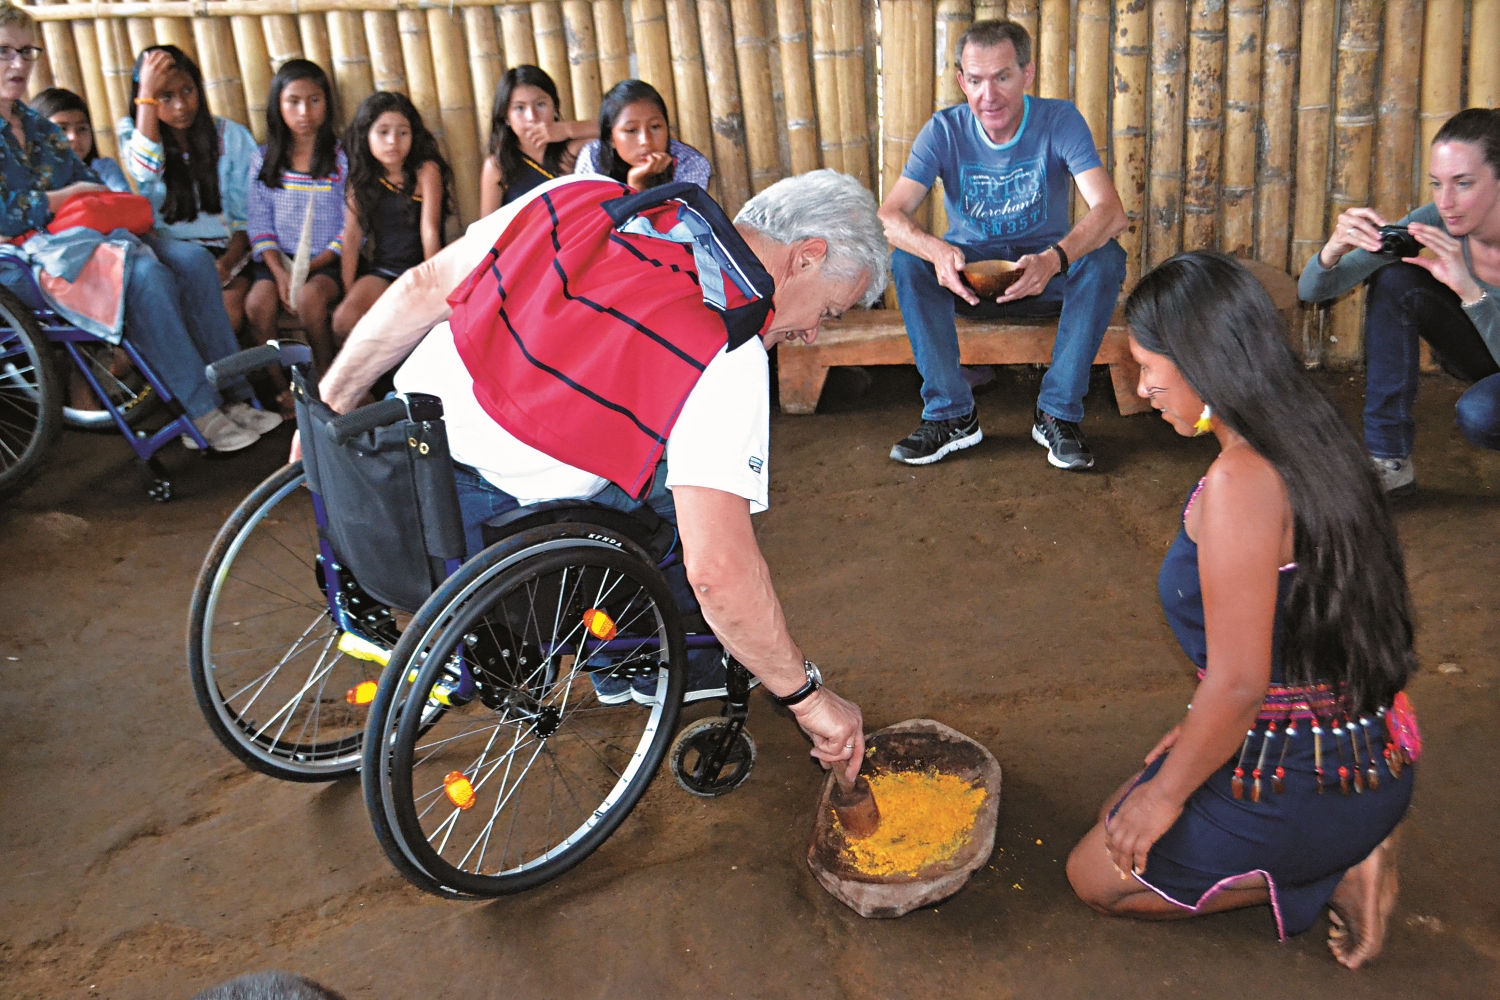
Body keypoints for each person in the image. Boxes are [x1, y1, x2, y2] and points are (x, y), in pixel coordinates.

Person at [307, 167, 885, 775]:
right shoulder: (725, 348)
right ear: (807, 257)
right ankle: (639, 653)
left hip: (385, 472)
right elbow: (718, 570)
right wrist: (806, 696)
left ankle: (623, 655)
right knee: (711, 503)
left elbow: (423, 286)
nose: (813, 331)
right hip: (480, 529)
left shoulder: (577, 198)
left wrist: (328, 416)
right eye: (831, 311)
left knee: (678, 466)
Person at [1066, 251, 1419, 970]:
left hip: (1303, 774)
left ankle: (1338, 865)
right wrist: (1198, 737)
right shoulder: (1313, 433)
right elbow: (1308, 626)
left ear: (1202, 361)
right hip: (1372, 750)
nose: (1142, 387)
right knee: (1126, 810)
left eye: (1147, 365)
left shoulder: (1240, 483)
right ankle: (1353, 837)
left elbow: (1236, 686)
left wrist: (1167, 796)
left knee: (1096, 875)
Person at [0, 2, 270, 452]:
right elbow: (12, 216)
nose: (18, 64)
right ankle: (199, 411)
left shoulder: (34, 123)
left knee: (192, 261)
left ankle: (235, 393)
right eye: (5, 51)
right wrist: (62, 200)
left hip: (72, 239)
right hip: (19, 263)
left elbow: (83, 182)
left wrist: (60, 202)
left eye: (27, 53)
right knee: (144, 277)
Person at [878, 19, 1127, 470]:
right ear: (961, 80)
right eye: (974, 80)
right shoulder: (944, 130)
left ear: (1027, 74)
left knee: (1106, 256)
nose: (987, 95)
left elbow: (1111, 212)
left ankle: (1058, 412)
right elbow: (890, 216)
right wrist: (935, 250)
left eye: (1002, 77)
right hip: (968, 284)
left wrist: (1055, 259)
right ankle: (951, 414)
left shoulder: (1059, 120)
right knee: (908, 262)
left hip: (1043, 280)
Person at [1299, 107, 1500, 495]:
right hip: (1484, 354)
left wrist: (1470, 293)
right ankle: (1388, 461)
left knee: (1483, 412)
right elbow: (1312, 292)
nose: (1446, 202)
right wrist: (1333, 251)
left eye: (1463, 183)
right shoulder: (1435, 221)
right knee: (1396, 278)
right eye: (1437, 184)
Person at [117, 44, 258, 333]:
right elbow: (145, 169)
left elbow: (248, 216)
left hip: (225, 254)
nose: (181, 105)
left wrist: (227, 264)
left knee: (226, 312)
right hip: (167, 254)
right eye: (164, 97)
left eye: (187, 91)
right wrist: (147, 93)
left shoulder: (231, 136)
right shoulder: (132, 133)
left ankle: (221, 379)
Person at [245, 58, 347, 392]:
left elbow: (350, 228)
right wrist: (280, 273)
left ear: (327, 105)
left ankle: (326, 378)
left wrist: (311, 267)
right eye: (294, 101)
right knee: (257, 305)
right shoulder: (263, 159)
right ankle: (282, 388)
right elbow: (258, 224)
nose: (305, 111)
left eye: (314, 101)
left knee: (309, 299)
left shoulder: (340, 160)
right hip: (277, 262)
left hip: (324, 263)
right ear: (278, 105)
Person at [332, 91, 452, 346]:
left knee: (411, 328)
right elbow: (351, 236)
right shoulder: (361, 180)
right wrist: (349, 289)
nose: (392, 141)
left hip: (421, 270)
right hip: (383, 272)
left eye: (402, 133)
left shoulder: (426, 171)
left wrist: (432, 286)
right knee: (343, 321)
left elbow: (429, 231)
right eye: (383, 132)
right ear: (366, 135)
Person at [478, 65, 597, 216]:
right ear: (506, 116)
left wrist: (568, 129)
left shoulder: (574, 148)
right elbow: (486, 230)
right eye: (520, 108)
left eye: (540, 104)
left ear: (555, 107)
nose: (532, 117)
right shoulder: (498, 166)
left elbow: (618, 128)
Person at [573, 79, 711, 193]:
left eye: (655, 127)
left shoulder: (689, 163)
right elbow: (587, 221)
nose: (645, 140)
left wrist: (638, 184)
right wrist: (636, 184)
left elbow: (680, 223)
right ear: (611, 138)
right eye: (632, 130)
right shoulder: (593, 157)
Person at [29, 87, 128, 192]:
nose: (73, 137)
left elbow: (125, 205)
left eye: (82, 129)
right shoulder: (24, 179)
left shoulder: (104, 170)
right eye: (61, 129)